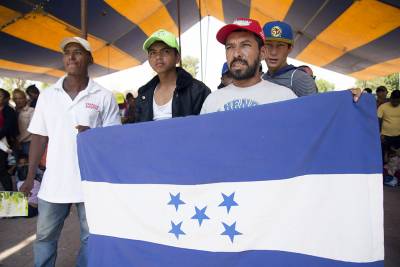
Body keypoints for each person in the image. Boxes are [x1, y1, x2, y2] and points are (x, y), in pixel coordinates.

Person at [19, 36, 121, 267]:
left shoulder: (103, 96)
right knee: (45, 236)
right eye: (67, 52)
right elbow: (39, 136)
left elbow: (114, 138)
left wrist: (93, 134)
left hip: (90, 182)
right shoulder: (48, 95)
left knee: (90, 237)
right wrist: (28, 177)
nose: (71, 56)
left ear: (90, 59)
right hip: (54, 181)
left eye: (78, 51)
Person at [201, 18, 296, 114]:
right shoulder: (211, 101)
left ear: (262, 53)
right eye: (230, 47)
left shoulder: (285, 98)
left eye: (245, 45)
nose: (236, 54)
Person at [135, 29, 211, 122]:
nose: (158, 57)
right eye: (153, 53)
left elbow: (207, 128)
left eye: (165, 51)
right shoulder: (143, 94)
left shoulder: (198, 91)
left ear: (177, 57)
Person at [262, 21, 317, 97]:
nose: (273, 52)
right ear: (261, 48)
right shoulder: (261, 79)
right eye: (268, 45)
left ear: (289, 49)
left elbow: (314, 108)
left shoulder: (301, 79)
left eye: (280, 45)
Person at [0, 88, 18, 191]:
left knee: (2, 169)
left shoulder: (9, 110)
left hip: (4, 142)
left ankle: (9, 194)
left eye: (0, 95)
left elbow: (8, 128)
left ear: (6, 98)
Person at [378, 90, 400, 162]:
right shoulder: (383, 107)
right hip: (385, 136)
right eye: (394, 101)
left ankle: (394, 170)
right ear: (391, 98)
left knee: (396, 156)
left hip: (398, 136)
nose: (396, 103)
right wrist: (380, 134)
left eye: (398, 101)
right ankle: (383, 170)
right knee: (384, 155)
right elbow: (378, 121)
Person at [16, 153, 40, 217]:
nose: (23, 164)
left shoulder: (19, 184)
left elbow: (20, 197)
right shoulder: (37, 182)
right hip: (36, 208)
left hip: (27, 208)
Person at [12, 89, 35, 155]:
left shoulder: (31, 110)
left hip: (28, 142)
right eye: (16, 98)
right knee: (16, 163)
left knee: (30, 163)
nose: (18, 101)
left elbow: (32, 128)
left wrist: (19, 140)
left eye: (20, 98)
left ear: (25, 98)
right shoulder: (12, 111)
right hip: (14, 143)